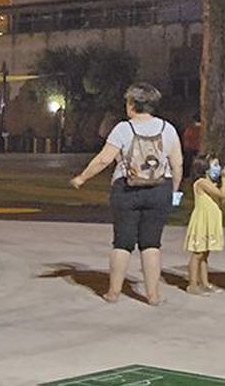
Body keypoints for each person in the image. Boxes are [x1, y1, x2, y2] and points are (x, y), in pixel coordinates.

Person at [69, 82, 183, 305]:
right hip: (159, 189)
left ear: (132, 104)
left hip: (126, 189)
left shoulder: (123, 129)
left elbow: (104, 159)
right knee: (151, 243)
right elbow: (177, 163)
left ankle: (113, 292)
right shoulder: (167, 129)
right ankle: (153, 295)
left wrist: (82, 177)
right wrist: (174, 190)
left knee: (122, 242)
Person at [183, 155, 225, 296]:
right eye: (215, 165)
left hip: (212, 219)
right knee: (198, 253)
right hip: (202, 220)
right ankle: (192, 285)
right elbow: (223, 194)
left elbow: (222, 199)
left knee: (205, 254)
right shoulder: (202, 182)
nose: (218, 168)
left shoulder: (211, 185)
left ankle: (205, 283)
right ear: (205, 168)